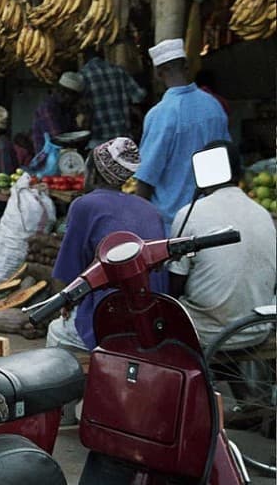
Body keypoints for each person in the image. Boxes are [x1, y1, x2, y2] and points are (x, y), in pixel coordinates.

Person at [47, 137, 168, 353]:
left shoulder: (84, 205)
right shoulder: (151, 210)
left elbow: (65, 274)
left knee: (56, 329)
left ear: (93, 173)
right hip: (153, 320)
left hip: (111, 322)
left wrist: (64, 304)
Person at [168, 140, 276, 349]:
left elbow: (175, 285)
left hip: (207, 333)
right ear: (239, 174)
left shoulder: (189, 214)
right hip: (257, 329)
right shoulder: (263, 214)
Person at [134, 38, 230, 225]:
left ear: (158, 73)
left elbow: (146, 177)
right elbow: (227, 158)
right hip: (213, 216)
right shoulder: (213, 106)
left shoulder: (160, 114)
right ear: (186, 67)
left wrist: (137, 221)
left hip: (175, 223)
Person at [79, 46, 145, 147]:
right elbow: (139, 96)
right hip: (122, 136)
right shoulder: (120, 71)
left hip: (98, 140)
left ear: (84, 57)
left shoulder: (82, 76)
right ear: (103, 55)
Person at [31, 71, 84, 154]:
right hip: (49, 158)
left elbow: (74, 134)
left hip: (65, 156)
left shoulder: (68, 109)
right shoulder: (48, 108)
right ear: (63, 93)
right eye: (74, 97)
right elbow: (58, 139)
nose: (76, 101)